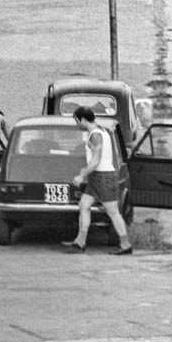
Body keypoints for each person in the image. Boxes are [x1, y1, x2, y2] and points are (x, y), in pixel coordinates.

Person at [62, 106, 132, 254]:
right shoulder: (102, 130)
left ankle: (125, 245)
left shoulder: (95, 136)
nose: (77, 124)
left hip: (103, 177)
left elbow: (95, 161)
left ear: (82, 119)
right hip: (97, 177)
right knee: (84, 205)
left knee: (113, 211)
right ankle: (80, 242)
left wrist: (82, 175)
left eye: (77, 121)